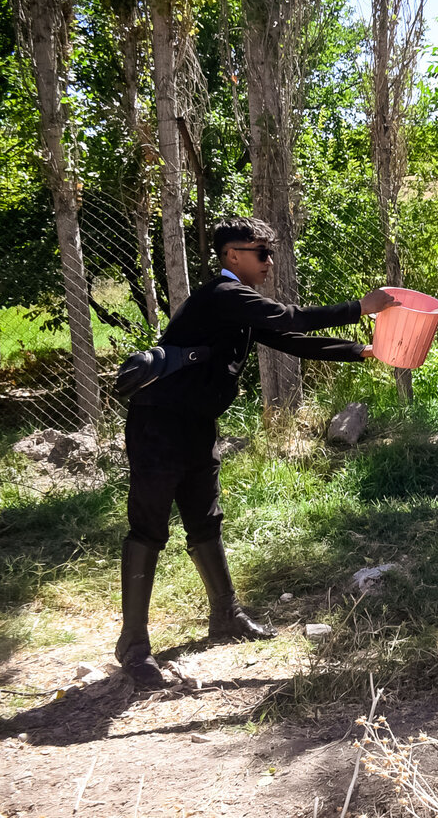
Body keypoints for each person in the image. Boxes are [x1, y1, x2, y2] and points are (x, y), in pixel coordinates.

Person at [116, 216, 398, 688]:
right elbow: (290, 318)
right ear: (232, 257)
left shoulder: (238, 306)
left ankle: (225, 617)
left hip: (193, 425)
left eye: (271, 252)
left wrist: (359, 351)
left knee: (205, 519)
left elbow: (288, 340)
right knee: (149, 527)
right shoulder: (223, 296)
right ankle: (133, 646)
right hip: (157, 426)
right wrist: (359, 307)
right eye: (260, 253)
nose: (270, 262)